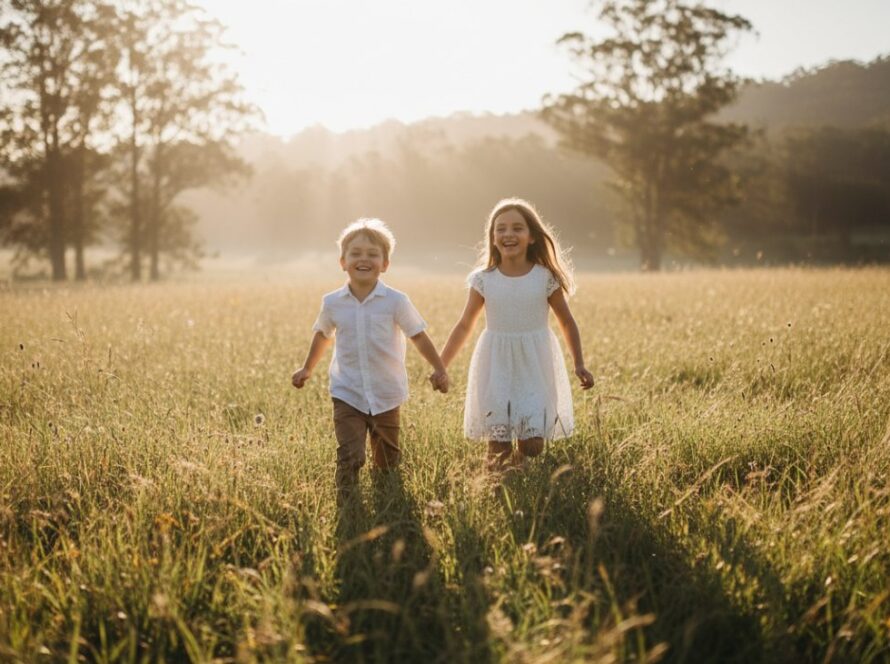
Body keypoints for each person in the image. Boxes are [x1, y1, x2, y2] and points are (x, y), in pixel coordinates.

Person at [292, 218, 449, 496]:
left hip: (386, 393)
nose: (363, 259)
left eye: (373, 254)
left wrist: (439, 368)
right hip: (347, 391)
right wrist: (307, 368)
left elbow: (418, 335)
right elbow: (323, 335)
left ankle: (387, 500)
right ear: (342, 261)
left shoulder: (396, 301)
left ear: (385, 264)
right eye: (355, 253)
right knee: (351, 454)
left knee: (387, 461)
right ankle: (347, 501)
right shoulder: (332, 302)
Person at [439, 198, 594, 470]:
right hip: (496, 362)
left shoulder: (545, 277)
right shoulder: (483, 279)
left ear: (532, 236)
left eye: (517, 228)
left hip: (534, 363)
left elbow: (567, 321)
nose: (508, 234)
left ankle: (519, 464)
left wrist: (579, 363)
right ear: (492, 237)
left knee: (532, 444)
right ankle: (495, 485)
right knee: (498, 442)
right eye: (500, 229)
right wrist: (441, 365)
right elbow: (464, 325)